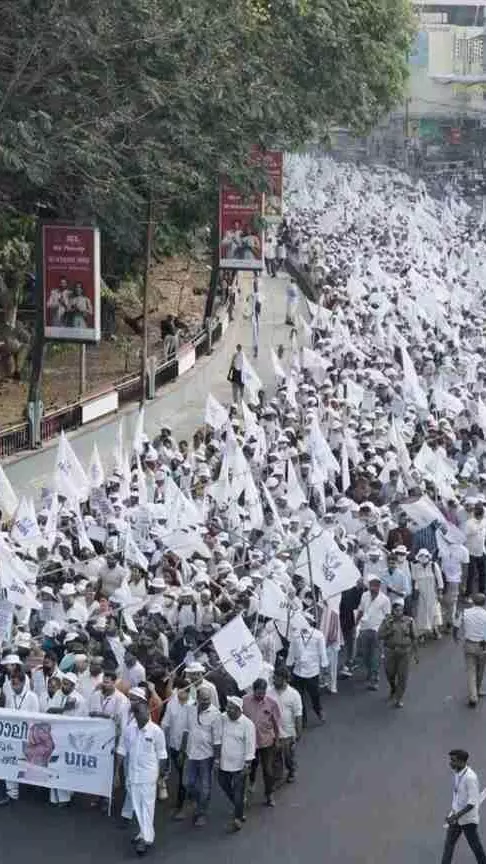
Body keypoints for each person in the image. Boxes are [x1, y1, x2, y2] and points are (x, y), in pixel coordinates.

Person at [117, 687, 168, 855]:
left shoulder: (156, 731)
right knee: (138, 807)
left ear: (148, 712)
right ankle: (142, 833)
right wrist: (117, 773)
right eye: (139, 714)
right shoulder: (129, 730)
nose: (143, 717)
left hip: (148, 776)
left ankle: (146, 840)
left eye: (144, 713)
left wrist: (161, 777)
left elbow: (162, 755)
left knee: (147, 807)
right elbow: (122, 751)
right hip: (132, 774)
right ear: (135, 715)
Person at [183, 684, 222, 827]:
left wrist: (217, 759)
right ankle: (198, 801)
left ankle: (201, 813)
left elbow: (217, 739)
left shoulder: (215, 714)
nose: (206, 702)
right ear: (197, 698)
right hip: (191, 753)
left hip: (206, 756)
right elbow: (187, 730)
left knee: (205, 786)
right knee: (188, 783)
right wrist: (183, 750)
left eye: (208, 699)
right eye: (203, 699)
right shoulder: (190, 709)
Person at [441, 749, 486, 864]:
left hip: (468, 820)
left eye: (453, 760)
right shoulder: (458, 773)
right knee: (448, 846)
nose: (450, 763)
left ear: (462, 762)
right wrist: (452, 814)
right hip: (456, 818)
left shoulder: (470, 778)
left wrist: (455, 816)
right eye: (451, 760)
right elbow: (458, 798)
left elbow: (472, 803)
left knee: (476, 848)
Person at [218, 695, 256, 832]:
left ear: (239, 710)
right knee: (223, 784)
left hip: (240, 765)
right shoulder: (222, 718)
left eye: (231, 708)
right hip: (223, 762)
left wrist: (248, 764)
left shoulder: (247, 724)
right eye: (227, 707)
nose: (228, 710)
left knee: (239, 791)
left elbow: (250, 745)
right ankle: (238, 805)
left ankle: (238, 818)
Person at [243, 678, 281, 807]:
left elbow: (276, 723)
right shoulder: (245, 701)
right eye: (258, 692)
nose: (260, 695)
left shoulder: (272, 704)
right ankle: (251, 784)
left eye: (263, 692)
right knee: (251, 767)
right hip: (250, 743)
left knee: (268, 770)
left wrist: (277, 740)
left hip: (266, 742)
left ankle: (269, 794)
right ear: (254, 690)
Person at [378, 597, 418, 707]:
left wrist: (416, 654)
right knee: (389, 673)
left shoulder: (409, 621)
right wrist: (389, 632)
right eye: (396, 610)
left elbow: (414, 637)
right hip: (390, 651)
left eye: (400, 610)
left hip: (404, 653)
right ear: (392, 611)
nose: (398, 613)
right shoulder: (387, 622)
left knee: (402, 676)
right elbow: (379, 635)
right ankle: (393, 687)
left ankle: (399, 698)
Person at [160, 678, 191, 819]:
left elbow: (189, 731)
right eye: (177, 689)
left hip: (187, 748)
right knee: (181, 774)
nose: (178, 692)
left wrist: (183, 751)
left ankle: (182, 805)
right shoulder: (172, 703)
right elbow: (165, 723)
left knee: (183, 776)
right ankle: (185, 798)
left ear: (188, 692)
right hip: (173, 745)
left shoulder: (192, 706)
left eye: (181, 690)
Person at [286, 623, 328, 724]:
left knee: (315, 695)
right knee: (299, 698)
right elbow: (291, 652)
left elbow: (322, 653)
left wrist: (323, 670)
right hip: (298, 671)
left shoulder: (318, 635)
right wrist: (288, 666)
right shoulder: (295, 635)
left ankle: (318, 710)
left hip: (312, 672)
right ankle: (302, 720)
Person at [356, 576, 391, 690]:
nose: (373, 587)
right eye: (371, 585)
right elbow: (361, 610)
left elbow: (387, 617)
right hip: (365, 628)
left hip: (377, 630)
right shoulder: (364, 595)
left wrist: (386, 631)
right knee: (365, 654)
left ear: (379, 586)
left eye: (376, 585)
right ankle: (370, 671)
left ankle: (374, 679)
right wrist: (356, 624)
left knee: (375, 655)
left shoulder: (385, 599)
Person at [268, 667, 303, 783]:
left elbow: (298, 714)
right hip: (273, 733)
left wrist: (298, 732)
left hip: (288, 733)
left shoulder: (294, 694)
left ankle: (291, 770)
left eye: (277, 678)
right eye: (274, 678)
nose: (275, 680)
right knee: (275, 758)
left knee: (289, 757)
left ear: (285, 679)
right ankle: (277, 776)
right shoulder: (269, 693)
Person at [453, 593, 486, 707]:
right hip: (483, 646)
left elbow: (456, 625)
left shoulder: (465, 612)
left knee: (471, 670)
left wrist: (455, 636)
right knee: (480, 669)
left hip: (469, 644)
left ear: (473, 601)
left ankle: (473, 696)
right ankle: (477, 690)